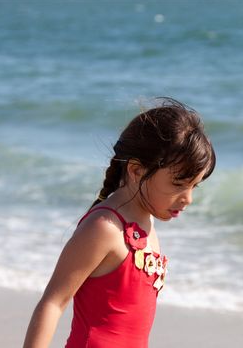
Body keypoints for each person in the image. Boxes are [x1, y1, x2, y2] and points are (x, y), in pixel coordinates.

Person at [23, 98, 216, 348]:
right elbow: (53, 302)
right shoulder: (104, 227)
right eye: (178, 185)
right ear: (136, 171)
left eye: (194, 186)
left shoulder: (147, 221)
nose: (188, 199)